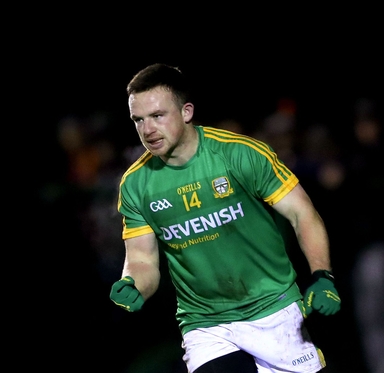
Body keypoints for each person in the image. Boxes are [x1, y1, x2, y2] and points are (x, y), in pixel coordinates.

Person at [109, 63, 340, 373]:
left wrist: (322, 275)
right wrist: (134, 284)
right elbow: (142, 259)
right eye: (138, 119)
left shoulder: (240, 154)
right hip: (206, 325)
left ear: (187, 112)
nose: (147, 129)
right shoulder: (135, 184)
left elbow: (303, 214)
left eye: (157, 116)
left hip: (275, 310)